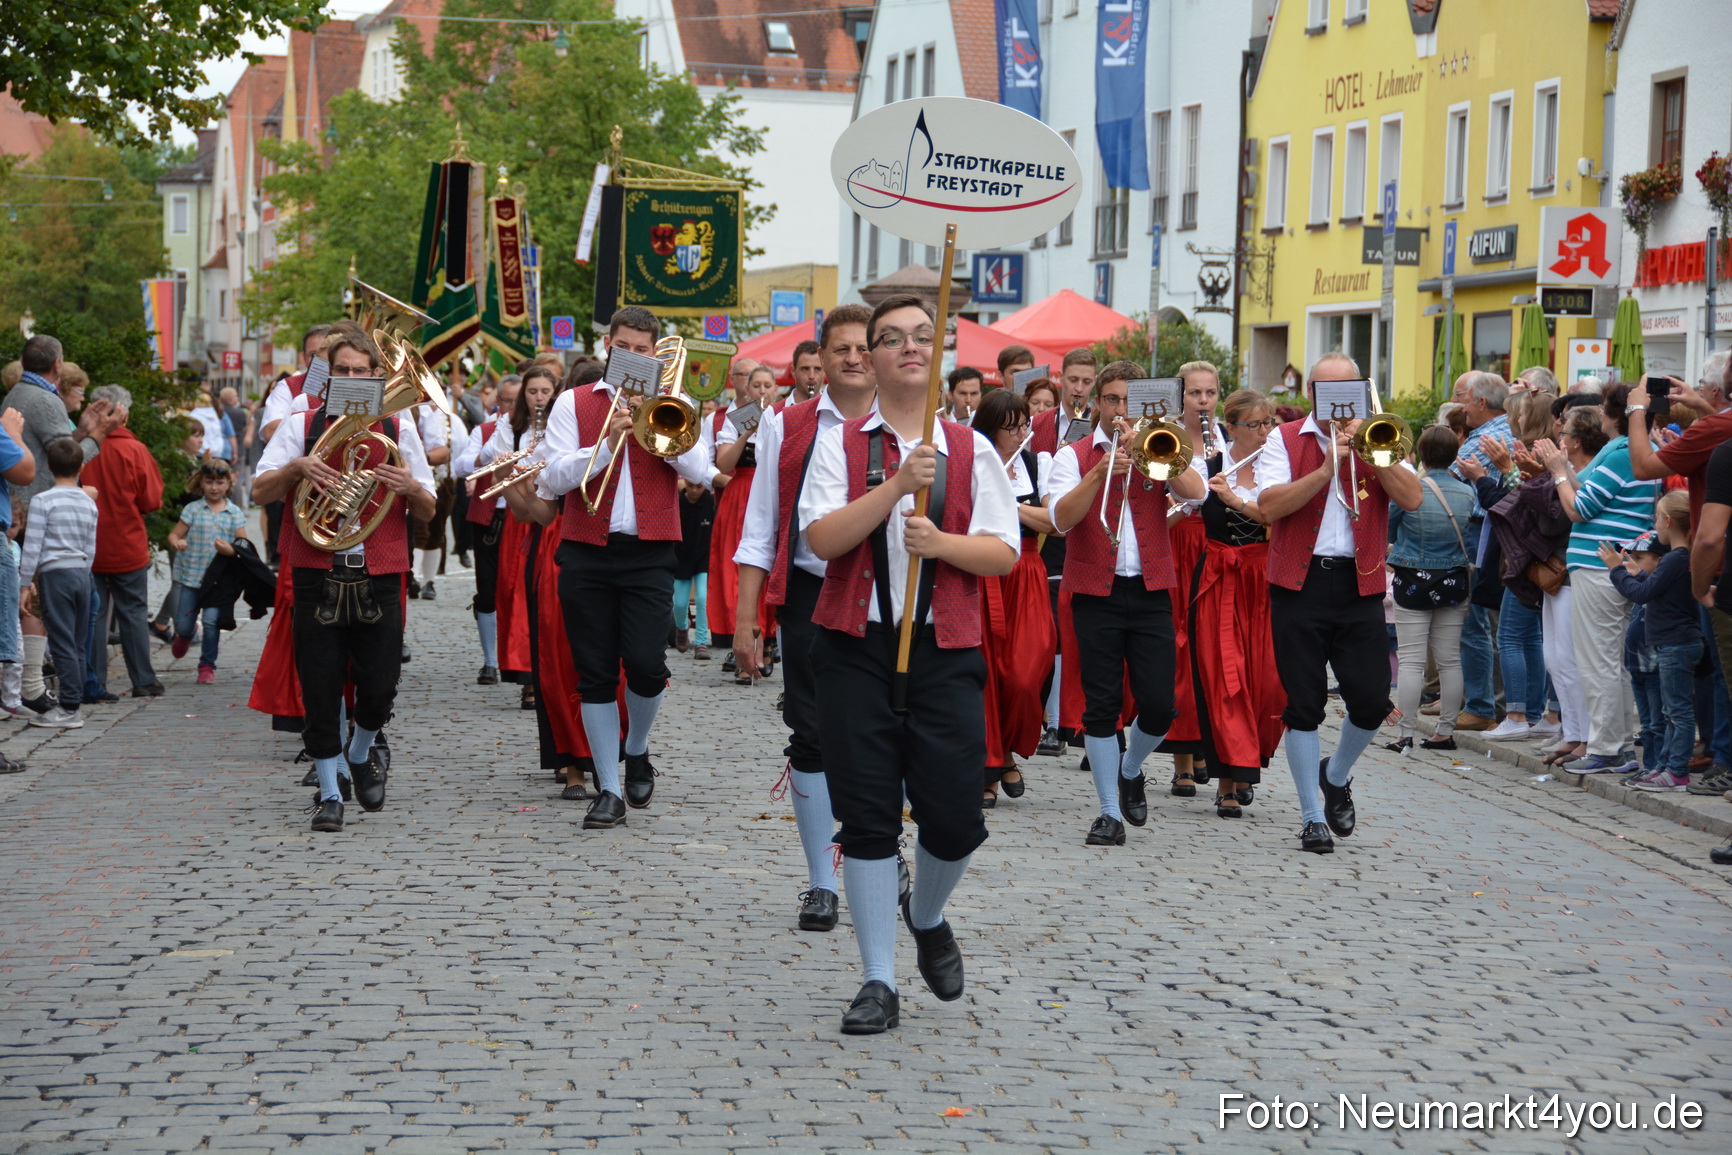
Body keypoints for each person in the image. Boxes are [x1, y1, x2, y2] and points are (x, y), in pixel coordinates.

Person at [800, 292, 1018, 1035]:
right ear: (874, 355)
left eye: (924, 336)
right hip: (855, 648)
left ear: (939, 352)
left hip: (943, 648)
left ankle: (925, 912)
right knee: (864, 816)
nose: (909, 348)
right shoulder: (841, 442)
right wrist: (893, 486)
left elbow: (1003, 552)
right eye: (891, 338)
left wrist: (941, 544)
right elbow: (824, 539)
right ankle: (878, 979)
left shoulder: (971, 448)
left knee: (955, 818)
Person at [515, 306, 721, 831]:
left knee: (649, 666)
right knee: (596, 673)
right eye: (623, 346)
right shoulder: (573, 402)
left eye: (642, 348)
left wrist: (663, 429)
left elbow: (700, 472)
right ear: (609, 346)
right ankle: (608, 788)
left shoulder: (677, 402)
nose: (632, 355)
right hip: (586, 548)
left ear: (656, 354)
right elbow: (556, 477)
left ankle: (637, 746)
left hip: (651, 550)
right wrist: (608, 443)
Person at [251, 327, 437, 833]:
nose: (353, 378)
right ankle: (330, 791)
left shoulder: (399, 429)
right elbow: (258, 490)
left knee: (379, 686)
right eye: (343, 370)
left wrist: (410, 485)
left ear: (379, 377)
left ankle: (361, 750)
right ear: (327, 376)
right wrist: (295, 468)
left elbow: (429, 506)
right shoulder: (299, 425)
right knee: (320, 684)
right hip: (316, 570)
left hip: (377, 570)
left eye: (362, 371)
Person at [733, 302, 876, 934]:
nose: (851, 359)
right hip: (810, 599)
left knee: (881, 738)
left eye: (862, 347)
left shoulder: (910, 421)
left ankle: (881, 853)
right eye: (839, 349)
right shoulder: (786, 425)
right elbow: (760, 525)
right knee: (811, 736)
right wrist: (746, 619)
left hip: (885, 603)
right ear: (821, 358)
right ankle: (822, 881)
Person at [1254, 352, 1422, 854]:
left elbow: (1411, 499)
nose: (1340, 404)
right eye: (1330, 394)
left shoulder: (1379, 437)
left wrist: (1371, 451)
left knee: (1371, 700)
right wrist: (1328, 468)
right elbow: (1269, 507)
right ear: (1312, 395)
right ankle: (1311, 817)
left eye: (1350, 392)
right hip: (1297, 586)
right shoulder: (1284, 441)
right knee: (1302, 705)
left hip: (1359, 585)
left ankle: (1337, 773)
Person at [1049, 360, 1206, 846]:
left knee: (1161, 704)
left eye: (1128, 401)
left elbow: (1196, 494)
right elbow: (1060, 519)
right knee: (1102, 706)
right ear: (1097, 403)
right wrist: (1098, 472)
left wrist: (1152, 448)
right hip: (1094, 592)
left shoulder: (1161, 445)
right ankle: (1109, 811)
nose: (1119, 410)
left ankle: (1131, 766)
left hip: (1151, 589)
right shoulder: (1072, 455)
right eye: (1112, 400)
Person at [1537, 387, 1657, 774]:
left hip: (1597, 565)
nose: (1598, 417)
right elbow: (1585, 486)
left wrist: (1558, 473)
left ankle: (1607, 748)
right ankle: (1616, 745)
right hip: (1608, 564)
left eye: (1604, 410)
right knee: (1610, 661)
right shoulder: (1628, 451)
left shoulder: (1621, 454)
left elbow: (1579, 508)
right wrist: (1563, 468)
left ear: (1615, 416)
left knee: (1598, 662)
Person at [1191, 389, 1284, 816]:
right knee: (1226, 680)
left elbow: (1278, 515)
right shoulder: (1208, 466)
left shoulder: (1279, 467)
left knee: (1268, 684)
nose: (1265, 432)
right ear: (1231, 428)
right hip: (1219, 579)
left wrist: (1234, 498)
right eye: (1255, 424)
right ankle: (1227, 781)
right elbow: (1181, 500)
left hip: (1264, 581)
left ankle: (1248, 758)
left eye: (1269, 423)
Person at [972, 387, 1057, 806]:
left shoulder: (1036, 464)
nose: (1021, 433)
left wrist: (1011, 505)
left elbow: (1053, 522)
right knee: (986, 674)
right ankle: (991, 763)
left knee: (1027, 673)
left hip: (1026, 571)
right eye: (1012, 428)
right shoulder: (972, 461)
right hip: (983, 571)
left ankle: (1005, 748)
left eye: (1024, 425)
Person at [1385, 425, 1477, 755]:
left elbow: (1389, 526)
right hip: (1452, 580)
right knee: (1450, 659)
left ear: (1421, 454)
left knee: (1411, 661)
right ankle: (1445, 732)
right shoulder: (1468, 493)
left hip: (1413, 580)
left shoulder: (1414, 489)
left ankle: (1405, 733)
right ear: (1455, 454)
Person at [1604, 491, 1699, 791]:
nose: (1656, 523)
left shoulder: (1675, 558)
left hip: (1677, 644)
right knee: (1670, 712)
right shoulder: (1677, 559)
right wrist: (1635, 573)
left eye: (1657, 518)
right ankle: (1663, 766)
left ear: (1668, 521)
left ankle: (1676, 771)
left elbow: (1642, 595)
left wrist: (1617, 571)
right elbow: (1654, 588)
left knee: (1677, 713)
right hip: (1672, 644)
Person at [1161, 360, 1226, 796]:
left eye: (1209, 394)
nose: (1202, 401)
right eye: (1194, 394)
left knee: (1214, 648)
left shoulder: (1226, 437)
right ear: (1179, 396)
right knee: (1179, 646)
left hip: (1218, 545)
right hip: (1178, 542)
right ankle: (1182, 759)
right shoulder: (1163, 433)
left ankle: (1208, 744)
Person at [1029, 348, 1098, 755]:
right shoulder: (1038, 424)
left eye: (1087, 382)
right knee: (1051, 628)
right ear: (1061, 378)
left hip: (1087, 531)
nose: (1079, 388)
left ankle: (1081, 722)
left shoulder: (1105, 424)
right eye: (1073, 380)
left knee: (1081, 629)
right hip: (1046, 532)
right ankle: (1053, 721)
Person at [78, 385, 164, 698]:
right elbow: (152, 500)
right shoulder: (134, 450)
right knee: (133, 614)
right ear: (123, 413)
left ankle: (94, 681)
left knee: (94, 617)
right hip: (127, 543)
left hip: (87, 544)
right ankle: (143, 680)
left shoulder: (80, 450)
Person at [19, 437, 98, 729]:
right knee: (77, 642)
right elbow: (91, 546)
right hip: (82, 574)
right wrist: (85, 572)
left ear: (49, 466)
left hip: (56, 574)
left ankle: (68, 707)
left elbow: (33, 545)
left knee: (62, 640)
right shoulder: (88, 503)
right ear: (80, 467)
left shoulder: (43, 501)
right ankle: (73, 701)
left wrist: (25, 582)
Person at [1450, 371, 1511, 734]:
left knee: (1472, 622)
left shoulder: (1485, 437)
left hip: (1477, 531)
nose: (1462, 406)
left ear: (1481, 403)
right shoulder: (1506, 430)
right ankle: (1494, 704)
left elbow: (1440, 478)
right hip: (1490, 531)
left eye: (1465, 399)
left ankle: (1480, 706)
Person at [712, 364, 781, 683]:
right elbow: (724, 464)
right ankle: (744, 652)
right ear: (747, 389)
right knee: (736, 573)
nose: (763, 391)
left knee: (769, 574)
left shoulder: (783, 417)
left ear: (775, 389)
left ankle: (766, 643)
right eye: (757, 386)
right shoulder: (734, 418)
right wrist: (747, 432)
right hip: (740, 493)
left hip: (772, 493)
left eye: (768, 385)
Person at [453, 372, 522, 683]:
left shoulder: (541, 430)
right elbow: (461, 466)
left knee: (522, 591)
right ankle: (491, 660)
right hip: (492, 519)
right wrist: (488, 454)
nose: (508, 407)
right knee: (488, 590)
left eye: (514, 401)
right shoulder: (485, 429)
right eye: (504, 400)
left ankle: (521, 660)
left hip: (526, 519)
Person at [2, 335, 118, 503]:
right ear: (57, 364)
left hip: (19, 506)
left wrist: (82, 431)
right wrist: (99, 432)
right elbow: (66, 462)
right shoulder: (46, 400)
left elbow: (47, 447)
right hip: (38, 507)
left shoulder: (15, 393)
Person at [167, 461, 247, 683]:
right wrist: (178, 542)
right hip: (190, 577)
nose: (214, 487)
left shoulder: (234, 513)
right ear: (200, 483)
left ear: (228, 483)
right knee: (182, 623)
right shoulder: (192, 509)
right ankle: (186, 633)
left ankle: (206, 665)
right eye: (209, 482)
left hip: (216, 582)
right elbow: (174, 535)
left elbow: (244, 545)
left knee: (212, 623)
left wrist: (231, 550)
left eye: (219, 482)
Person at [673, 481, 714, 658]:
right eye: (691, 486)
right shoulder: (677, 502)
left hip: (703, 558)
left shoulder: (710, 503)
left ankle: (701, 642)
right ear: (684, 486)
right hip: (681, 557)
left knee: (702, 598)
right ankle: (682, 628)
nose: (695, 491)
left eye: (699, 487)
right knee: (679, 603)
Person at [789, 340, 825, 405]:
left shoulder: (835, 409)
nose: (812, 376)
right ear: (793, 371)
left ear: (824, 371)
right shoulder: (773, 413)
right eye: (805, 369)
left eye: (817, 369)